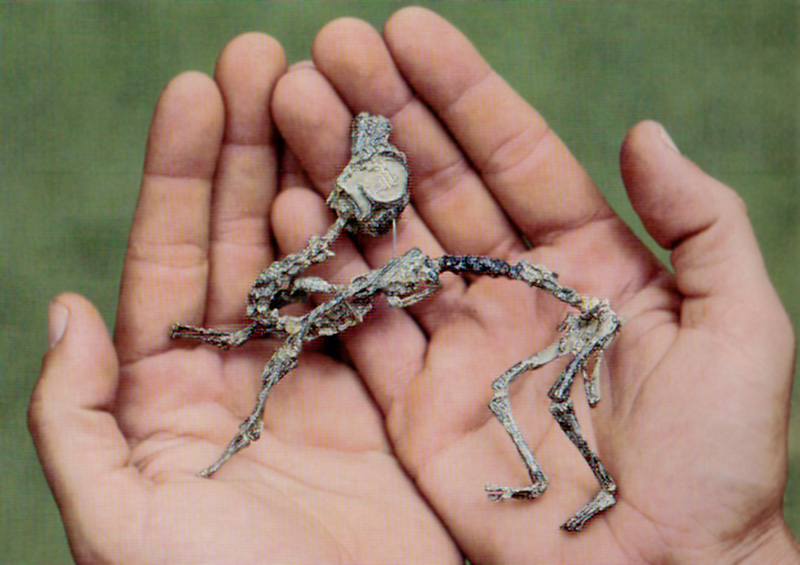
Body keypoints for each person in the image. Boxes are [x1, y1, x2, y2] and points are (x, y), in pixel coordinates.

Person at [29, 7, 800, 564]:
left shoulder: (407, 272)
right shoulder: (359, 247)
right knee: (308, 320)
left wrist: (730, 550)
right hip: (429, 286)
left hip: (516, 308)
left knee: (506, 390)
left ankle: (571, 480)